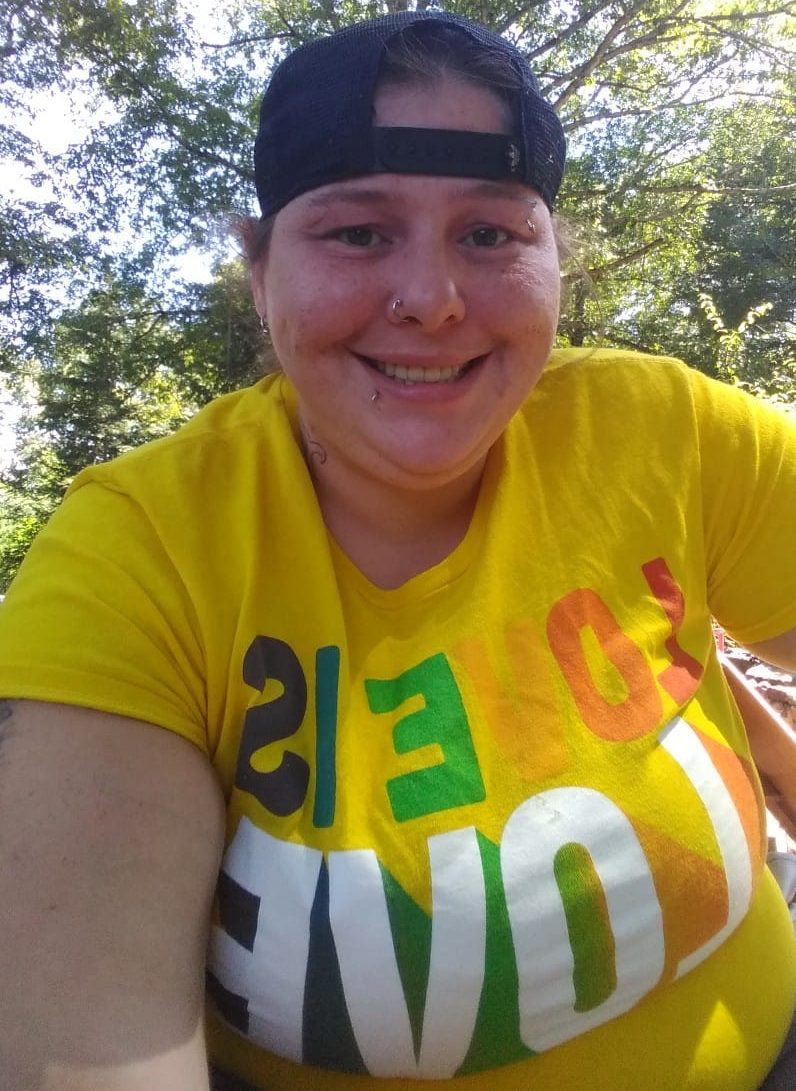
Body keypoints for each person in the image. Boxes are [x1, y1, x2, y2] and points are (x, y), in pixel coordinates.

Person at [0, 10, 794, 1091]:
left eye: (490, 234)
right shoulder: (141, 552)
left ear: (555, 261)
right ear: (259, 272)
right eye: (358, 234)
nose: (432, 300)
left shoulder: (666, 433)